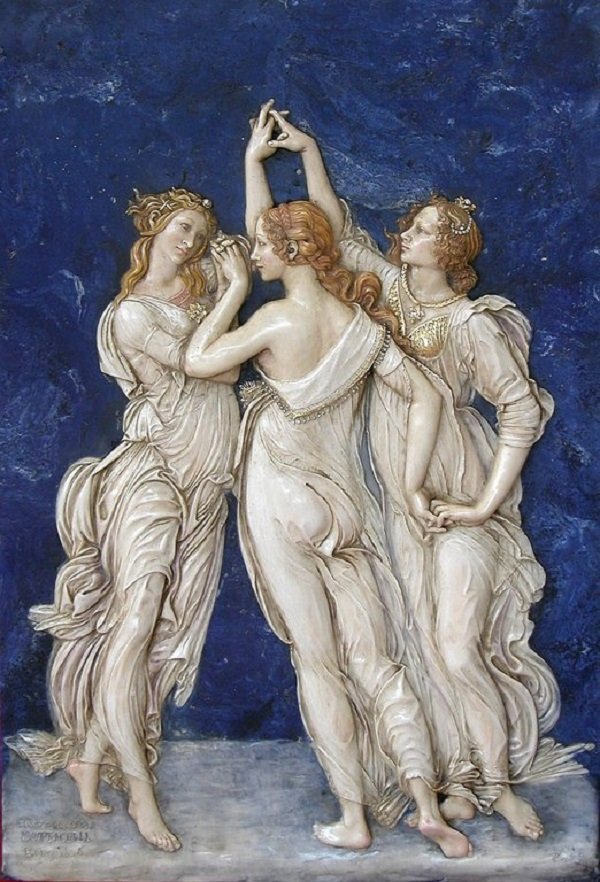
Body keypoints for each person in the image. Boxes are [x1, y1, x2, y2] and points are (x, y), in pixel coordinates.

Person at [264, 108, 589, 839]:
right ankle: (456, 776)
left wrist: (483, 506)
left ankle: (501, 785)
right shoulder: (391, 293)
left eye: (421, 227)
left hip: (456, 495)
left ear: (449, 247)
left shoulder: (474, 324)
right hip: (392, 494)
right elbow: (338, 231)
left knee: (458, 646)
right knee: (415, 640)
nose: (404, 232)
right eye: (411, 226)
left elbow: (520, 412)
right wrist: (308, 152)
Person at [165, 103, 473, 859]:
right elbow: (428, 397)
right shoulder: (360, 325)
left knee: (320, 662)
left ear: (290, 252)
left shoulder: (273, 321)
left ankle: (354, 818)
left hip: (282, 496)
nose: (253, 251)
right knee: (377, 660)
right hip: (346, 505)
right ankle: (425, 805)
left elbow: (197, 361)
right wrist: (410, 488)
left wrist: (232, 290)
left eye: (264, 248)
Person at [7, 188, 242, 852]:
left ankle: (89, 756)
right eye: (181, 227)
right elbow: (205, 366)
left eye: (201, 234)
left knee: (158, 635)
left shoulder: (196, 304)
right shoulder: (134, 314)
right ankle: (140, 790)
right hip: (153, 476)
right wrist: (235, 291)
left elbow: (227, 371)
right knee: (135, 623)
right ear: (154, 230)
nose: (191, 242)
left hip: (203, 488)